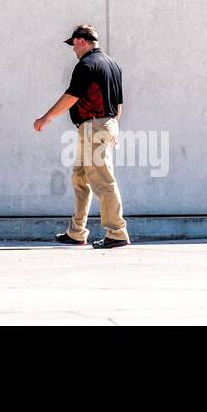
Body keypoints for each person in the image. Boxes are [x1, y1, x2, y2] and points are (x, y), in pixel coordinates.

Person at [33, 24, 130, 249]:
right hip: (103, 124)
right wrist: (111, 125)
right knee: (80, 178)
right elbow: (119, 104)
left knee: (103, 180)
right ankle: (76, 232)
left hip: (94, 127)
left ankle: (117, 233)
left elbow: (71, 96)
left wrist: (47, 117)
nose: (73, 50)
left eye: (74, 45)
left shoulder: (86, 65)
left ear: (81, 42)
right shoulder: (112, 64)